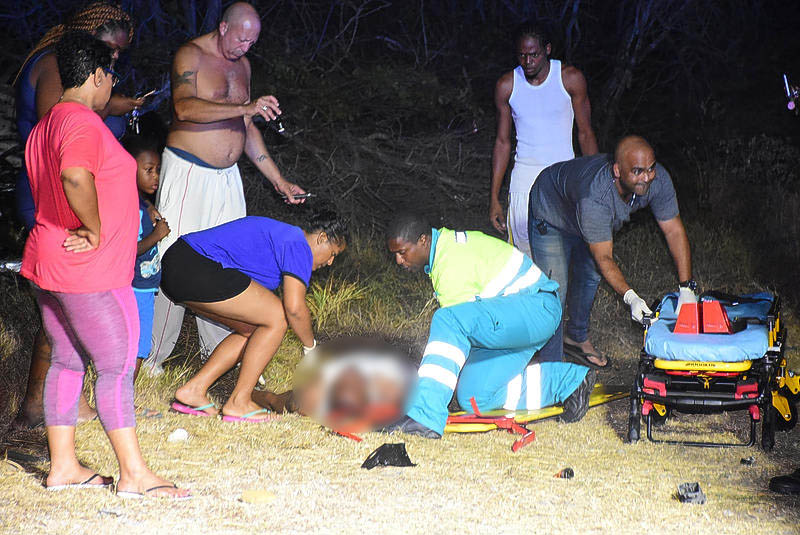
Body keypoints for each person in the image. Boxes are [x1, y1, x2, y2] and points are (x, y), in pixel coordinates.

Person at [20, 32, 188, 498]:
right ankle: (135, 475)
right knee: (115, 368)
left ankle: (63, 468)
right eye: (110, 76)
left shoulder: (44, 125)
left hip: (49, 262)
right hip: (85, 270)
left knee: (69, 363)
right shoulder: (80, 122)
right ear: (96, 74)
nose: (111, 85)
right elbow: (74, 174)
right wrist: (94, 228)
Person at [147, 1, 306, 374]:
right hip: (189, 172)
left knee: (228, 261)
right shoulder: (191, 55)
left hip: (228, 177)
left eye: (252, 42)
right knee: (173, 257)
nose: (244, 47)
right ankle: (151, 359)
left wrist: (278, 180)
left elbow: (247, 126)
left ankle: (219, 358)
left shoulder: (244, 66)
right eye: (240, 38)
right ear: (222, 27)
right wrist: (245, 108)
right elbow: (185, 109)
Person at [13, 1, 145, 428]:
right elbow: (67, 144)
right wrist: (92, 225)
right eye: (111, 52)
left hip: (64, 204)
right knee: (108, 357)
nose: (115, 59)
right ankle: (44, 405)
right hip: (59, 205)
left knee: (67, 338)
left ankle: (58, 410)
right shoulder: (61, 79)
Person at [382, 213, 597, 439]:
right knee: (474, 396)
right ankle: (570, 381)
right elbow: (464, 338)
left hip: (534, 307)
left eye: (402, 252)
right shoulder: (444, 252)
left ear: (423, 240)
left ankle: (424, 416)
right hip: (513, 318)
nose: (399, 260)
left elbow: (454, 335)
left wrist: (421, 390)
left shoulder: (450, 261)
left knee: (446, 319)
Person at [161, 211, 347, 422]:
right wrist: (310, 348)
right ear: (322, 238)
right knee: (278, 317)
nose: (331, 262)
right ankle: (239, 402)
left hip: (178, 265)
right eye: (333, 253)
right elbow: (294, 308)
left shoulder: (281, 243)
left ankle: (193, 390)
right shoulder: (297, 243)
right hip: (194, 263)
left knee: (254, 330)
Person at [528, 135, 695, 368]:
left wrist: (687, 288)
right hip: (551, 210)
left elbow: (674, 231)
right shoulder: (596, 197)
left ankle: (575, 338)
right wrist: (632, 298)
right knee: (556, 289)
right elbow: (604, 257)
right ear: (617, 170)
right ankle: (551, 366)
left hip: (583, 214)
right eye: (637, 171)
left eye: (650, 168)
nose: (646, 177)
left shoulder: (658, 180)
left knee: (591, 275)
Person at [489, 22, 598, 257]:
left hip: (562, 178)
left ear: (547, 49)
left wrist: (594, 183)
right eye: (522, 55)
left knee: (562, 253)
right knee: (523, 254)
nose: (528, 62)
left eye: (534, 55)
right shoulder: (507, 85)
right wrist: (494, 198)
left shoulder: (570, 78)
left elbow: (585, 133)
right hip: (523, 179)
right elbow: (502, 142)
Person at [120, 133, 170, 382]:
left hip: (145, 287)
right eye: (148, 170)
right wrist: (157, 235)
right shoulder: (131, 208)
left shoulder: (141, 205)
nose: (156, 177)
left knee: (136, 343)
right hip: (136, 289)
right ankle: (125, 397)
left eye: (158, 170)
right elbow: (130, 249)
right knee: (138, 344)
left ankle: (124, 395)